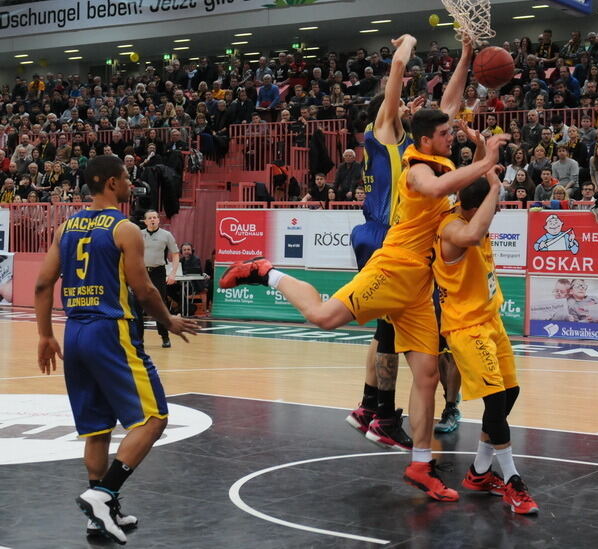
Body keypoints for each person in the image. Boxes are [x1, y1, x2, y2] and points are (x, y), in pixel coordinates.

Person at [219, 106, 508, 502]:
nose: (451, 138)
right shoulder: (417, 170)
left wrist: (467, 61)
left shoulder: (441, 161)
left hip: (421, 288)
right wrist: (488, 160)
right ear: (426, 139)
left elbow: (459, 151)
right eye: (445, 134)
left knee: (427, 376)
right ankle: (267, 271)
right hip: (392, 270)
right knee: (322, 316)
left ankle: (421, 465)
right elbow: (442, 189)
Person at [33, 155, 198, 544]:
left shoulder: (66, 227)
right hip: (113, 332)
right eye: (125, 178)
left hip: (74, 333)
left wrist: (44, 335)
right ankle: (103, 495)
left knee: (97, 427)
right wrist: (168, 321)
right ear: (109, 183)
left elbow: (42, 285)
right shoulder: (124, 228)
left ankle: (100, 516)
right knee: (154, 419)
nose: (129, 184)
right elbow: (144, 289)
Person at [344, 34, 475, 451]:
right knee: (387, 330)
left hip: (397, 235)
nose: (407, 104)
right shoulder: (382, 130)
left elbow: (448, 107)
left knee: (385, 328)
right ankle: (381, 414)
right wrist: (410, 43)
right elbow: (396, 74)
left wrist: (467, 56)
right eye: (401, 104)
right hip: (386, 235)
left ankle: (370, 407)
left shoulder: (415, 144)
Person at [432, 171, 537, 514]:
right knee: (494, 405)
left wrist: (484, 157)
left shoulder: (469, 213)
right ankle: (512, 481)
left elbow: (474, 195)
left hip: (490, 320)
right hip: (467, 327)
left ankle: (478, 472)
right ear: (476, 208)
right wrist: (495, 186)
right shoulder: (453, 231)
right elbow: (475, 232)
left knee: (510, 394)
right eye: (491, 207)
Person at [138, 210, 180, 348]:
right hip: (142, 272)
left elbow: (175, 254)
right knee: (137, 305)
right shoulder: (139, 234)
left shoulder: (166, 235)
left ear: (158, 220)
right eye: (150, 218)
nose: (153, 220)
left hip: (158, 272)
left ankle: (165, 337)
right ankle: (138, 339)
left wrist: (173, 273)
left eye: (155, 217)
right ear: (145, 221)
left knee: (159, 305)